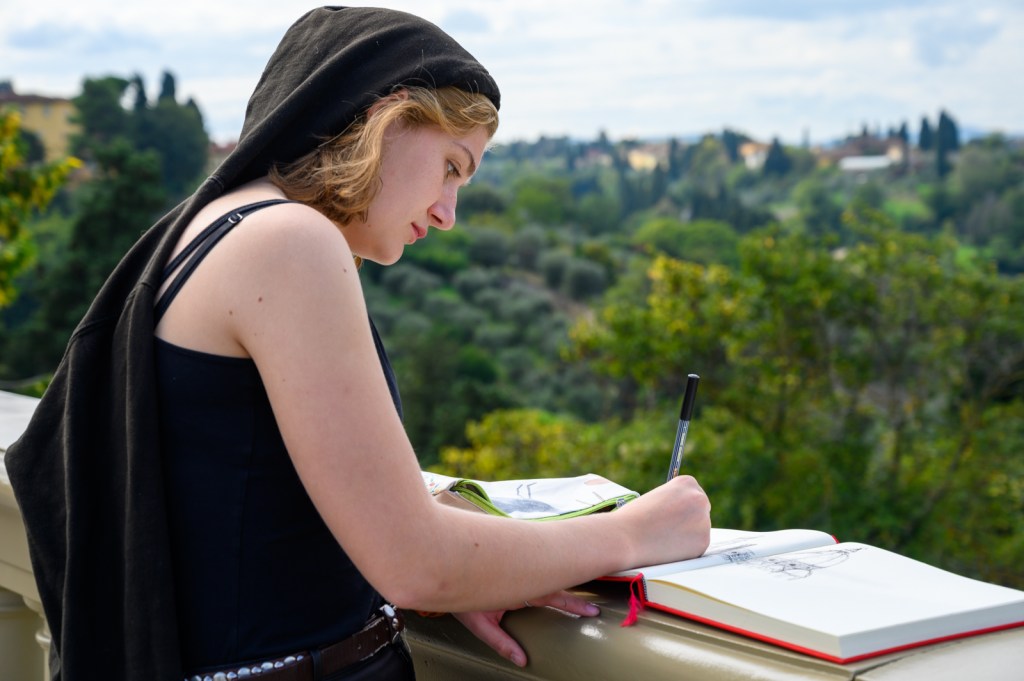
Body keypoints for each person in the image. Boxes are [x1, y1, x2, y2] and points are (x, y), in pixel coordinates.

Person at [6, 7, 711, 681]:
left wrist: (477, 548)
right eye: (451, 168)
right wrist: (638, 531)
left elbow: (247, 487)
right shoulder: (290, 241)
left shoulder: (214, 227)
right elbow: (416, 564)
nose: (448, 213)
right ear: (389, 118)